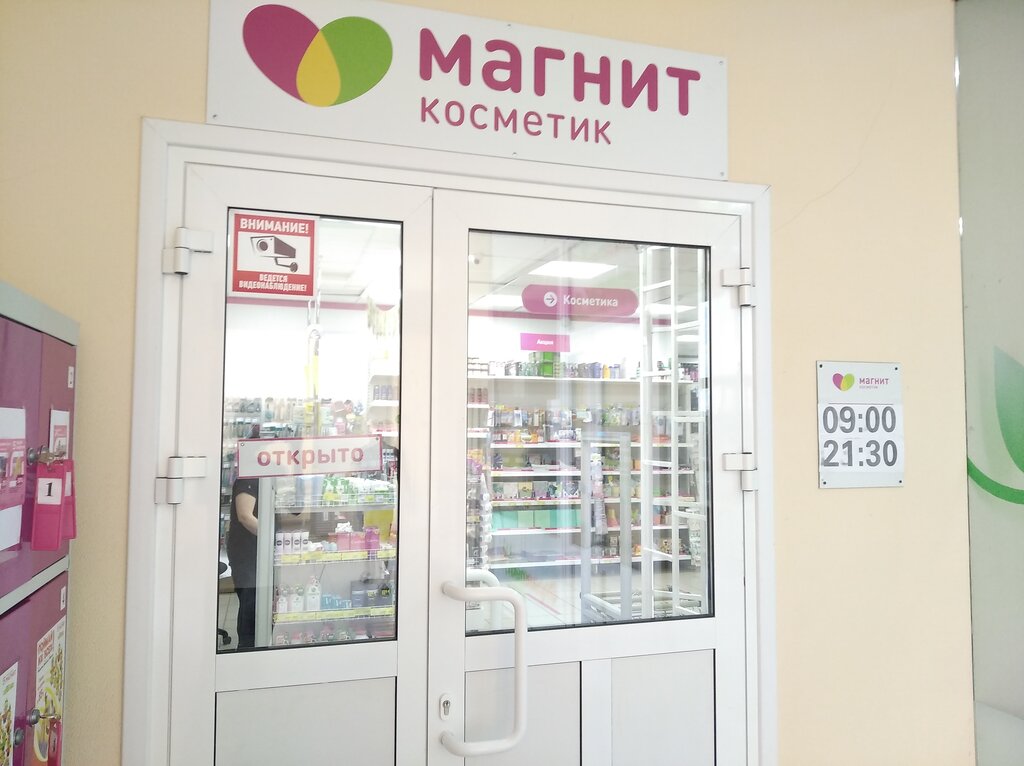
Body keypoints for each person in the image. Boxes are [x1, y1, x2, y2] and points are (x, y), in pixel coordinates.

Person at [226, 476, 259, 649]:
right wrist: (271, 536)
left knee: (258, 604)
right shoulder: (249, 478)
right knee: (250, 604)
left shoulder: (272, 476)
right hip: (247, 552)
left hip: (259, 551)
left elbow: (295, 510)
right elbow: (245, 516)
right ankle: (246, 650)